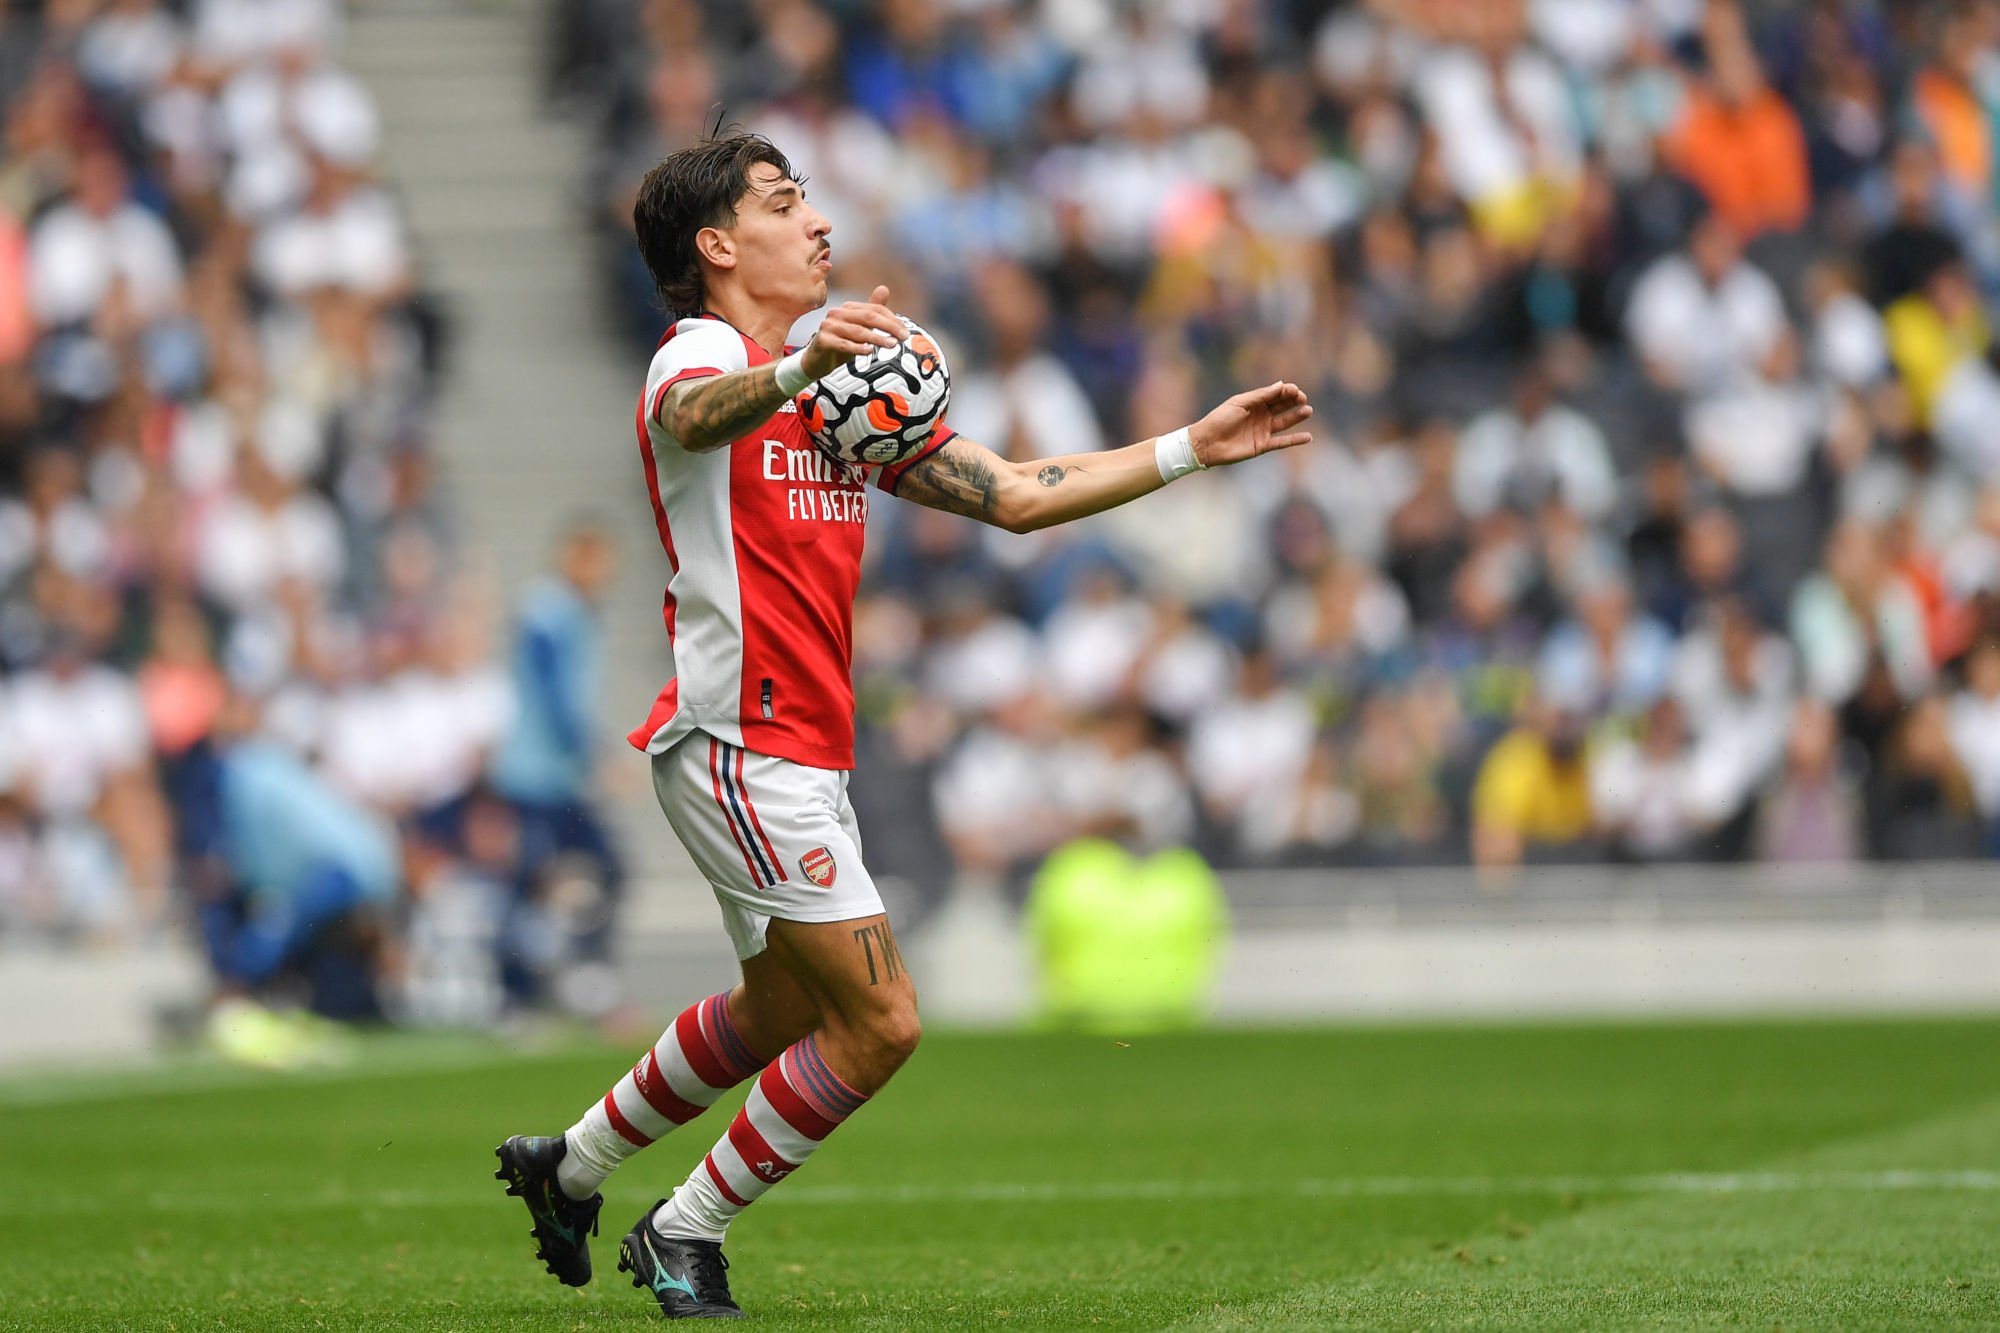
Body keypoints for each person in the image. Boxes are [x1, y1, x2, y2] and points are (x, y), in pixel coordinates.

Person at [491, 132, 1313, 1319]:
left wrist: (1192, 447)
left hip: (794, 749)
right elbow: (689, 417)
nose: (816, 222)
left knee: (782, 1010)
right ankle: (682, 1229)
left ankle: (567, 1169)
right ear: (716, 245)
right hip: (741, 743)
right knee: (880, 1024)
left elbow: (1015, 495)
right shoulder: (706, 351)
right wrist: (798, 364)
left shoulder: (832, 397)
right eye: (783, 204)